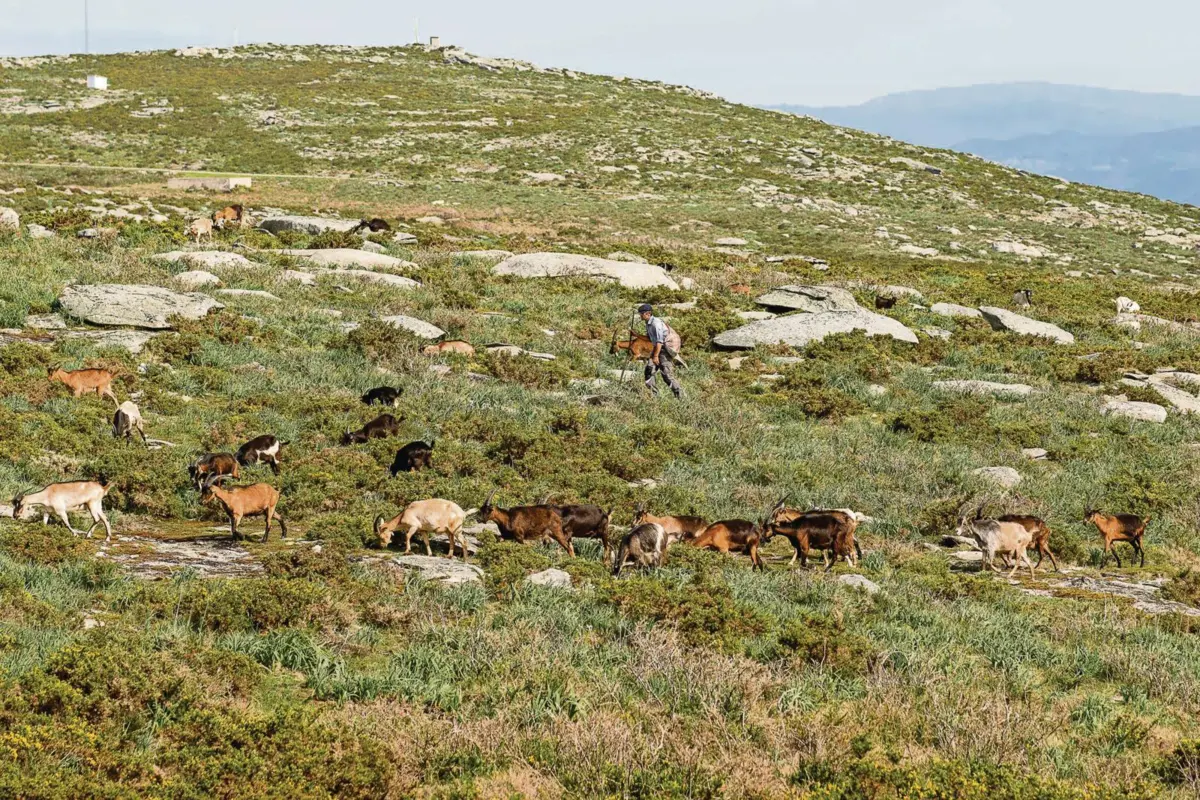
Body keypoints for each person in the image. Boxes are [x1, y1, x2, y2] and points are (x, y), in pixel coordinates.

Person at [638, 303, 682, 399]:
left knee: (666, 374)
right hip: (658, 350)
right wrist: (636, 335)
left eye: (641, 313)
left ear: (648, 313)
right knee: (649, 371)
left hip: (664, 350)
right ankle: (654, 396)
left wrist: (655, 356)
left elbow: (659, 341)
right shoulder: (648, 324)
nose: (640, 316)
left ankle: (680, 396)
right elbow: (650, 339)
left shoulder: (656, 323)